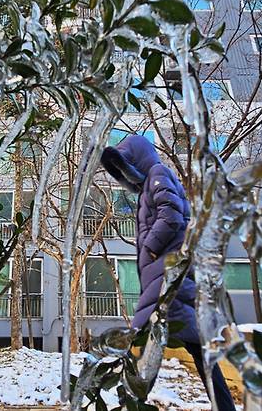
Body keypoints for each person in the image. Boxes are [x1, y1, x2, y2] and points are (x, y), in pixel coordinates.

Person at [100, 135, 235, 411]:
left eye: (127, 166)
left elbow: (171, 214)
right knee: (169, 349)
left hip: (167, 280)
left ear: (139, 159)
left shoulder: (158, 173)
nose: (126, 175)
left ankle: (133, 403)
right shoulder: (151, 183)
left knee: (150, 349)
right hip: (166, 279)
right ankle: (223, 406)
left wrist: (149, 248)